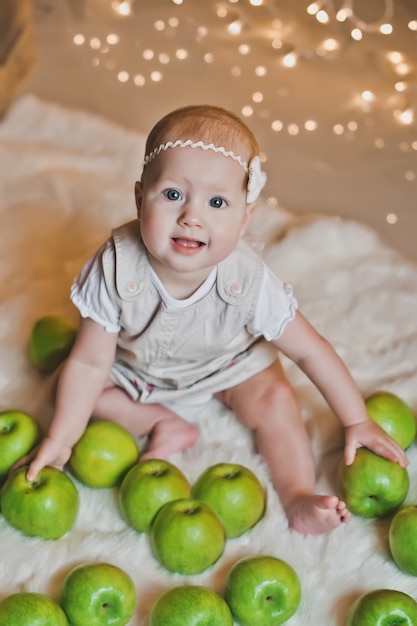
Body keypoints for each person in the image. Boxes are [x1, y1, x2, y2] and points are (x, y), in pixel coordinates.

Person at [22, 105, 407, 535]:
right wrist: (62, 439)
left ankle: (296, 494)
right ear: (138, 197)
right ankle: (160, 423)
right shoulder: (114, 266)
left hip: (228, 367)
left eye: (217, 202)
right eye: (172, 195)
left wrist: (356, 419)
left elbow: (310, 350)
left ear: (244, 219)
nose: (192, 216)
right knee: (73, 389)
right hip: (138, 370)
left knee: (276, 401)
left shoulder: (250, 280)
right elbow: (92, 362)